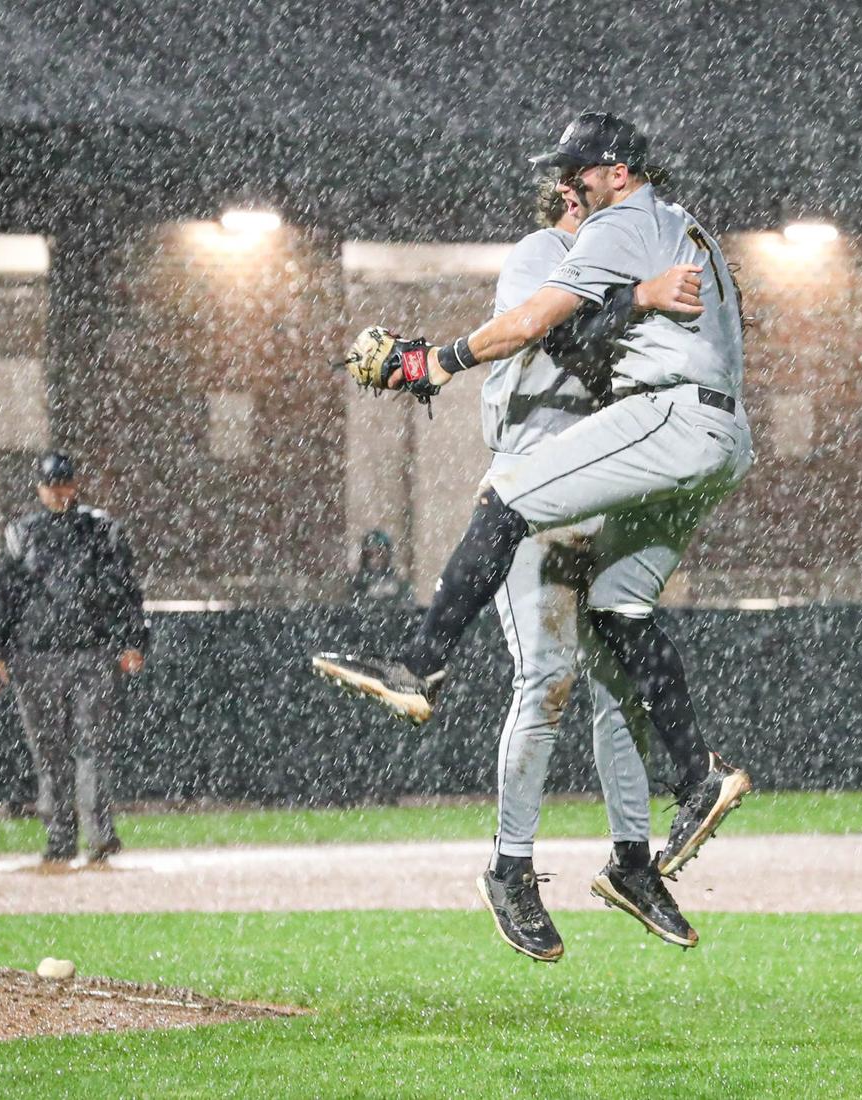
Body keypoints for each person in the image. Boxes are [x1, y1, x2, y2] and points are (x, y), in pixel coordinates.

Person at [314, 111, 754, 894]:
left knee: (506, 496)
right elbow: (589, 331)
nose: (570, 183)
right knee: (620, 608)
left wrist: (437, 361)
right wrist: (641, 299)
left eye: (579, 170)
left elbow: (532, 325)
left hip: (671, 415)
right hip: (720, 435)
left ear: (617, 171)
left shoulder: (619, 222)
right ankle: (697, 777)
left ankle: (419, 666)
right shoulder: (688, 228)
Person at [458, 179, 701, 961]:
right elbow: (561, 337)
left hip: (603, 492)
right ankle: (509, 866)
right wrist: (645, 296)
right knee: (546, 679)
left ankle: (632, 862)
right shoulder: (546, 252)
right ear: (573, 200)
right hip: (533, 486)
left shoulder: (622, 268)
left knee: (619, 689)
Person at [0, 452, 148, 869]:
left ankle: (99, 835)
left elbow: (126, 589)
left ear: (74, 485)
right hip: (36, 654)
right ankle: (60, 838)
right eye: (51, 485)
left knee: (92, 745)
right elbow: (3, 597)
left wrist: (132, 641)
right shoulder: (23, 533)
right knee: (50, 751)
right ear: (40, 489)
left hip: (92, 651)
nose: (58, 492)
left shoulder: (101, 529)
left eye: (63, 484)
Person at [348, 529, 415, 607]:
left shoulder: (399, 582)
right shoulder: (358, 582)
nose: (375, 560)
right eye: (370, 555)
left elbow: (409, 608)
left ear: (387, 555)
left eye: (380, 554)